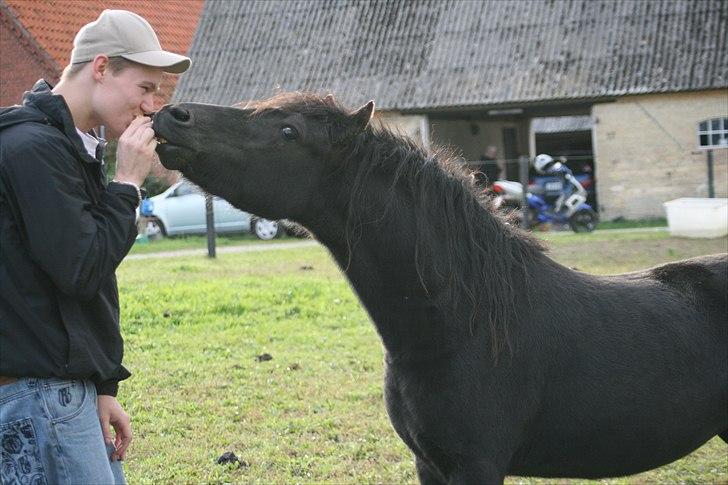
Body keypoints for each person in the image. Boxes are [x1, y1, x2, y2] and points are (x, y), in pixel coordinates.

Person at [0, 10, 189, 484]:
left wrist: (101, 384)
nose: (152, 106)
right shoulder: (31, 149)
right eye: (146, 88)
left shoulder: (69, 146)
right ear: (101, 69)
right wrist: (126, 182)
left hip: (63, 389)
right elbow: (83, 268)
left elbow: (84, 282)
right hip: (40, 394)